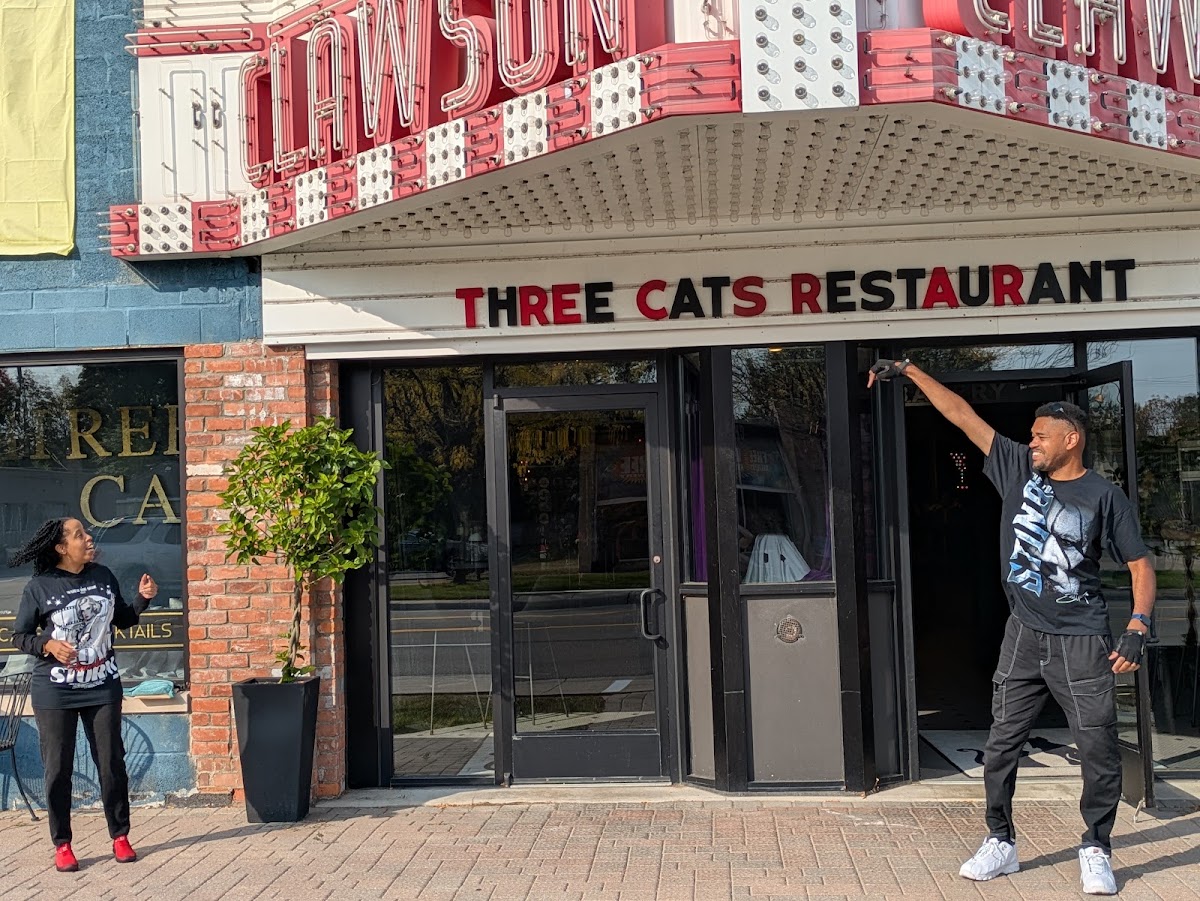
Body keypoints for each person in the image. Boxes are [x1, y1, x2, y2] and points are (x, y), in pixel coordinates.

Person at [868, 359, 1156, 897]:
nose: (1032, 443)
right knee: (1001, 744)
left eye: (1041, 436)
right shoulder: (1018, 470)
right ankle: (1000, 841)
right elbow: (961, 416)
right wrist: (910, 371)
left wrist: (1138, 625)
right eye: (1031, 436)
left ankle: (1096, 846)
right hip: (1023, 633)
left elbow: (1140, 564)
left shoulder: (1104, 496)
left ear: (1071, 439)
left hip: (1081, 639)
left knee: (1098, 748)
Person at [8, 518, 158, 873]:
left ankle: (120, 836)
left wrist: (142, 599)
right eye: (79, 535)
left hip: (102, 685)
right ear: (62, 548)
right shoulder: (40, 586)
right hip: (55, 690)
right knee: (58, 769)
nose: (89, 538)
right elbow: (20, 636)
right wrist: (47, 645)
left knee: (111, 763)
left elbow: (122, 619)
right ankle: (62, 844)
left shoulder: (102, 576)